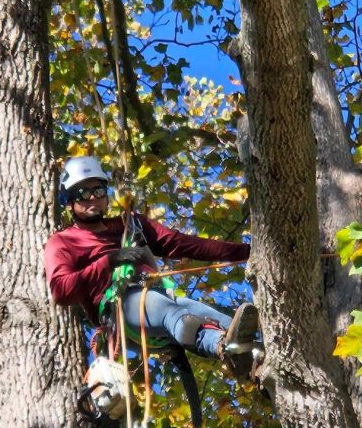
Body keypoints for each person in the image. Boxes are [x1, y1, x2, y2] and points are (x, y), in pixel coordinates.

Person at [44, 156, 259, 379]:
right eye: (82, 193)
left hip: (157, 295)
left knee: (223, 320)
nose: (92, 198)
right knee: (177, 316)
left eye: (97, 190)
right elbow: (61, 290)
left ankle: (259, 361)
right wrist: (109, 261)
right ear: (68, 201)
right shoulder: (63, 242)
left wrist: (247, 252)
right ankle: (222, 347)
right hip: (120, 305)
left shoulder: (131, 225)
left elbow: (184, 244)